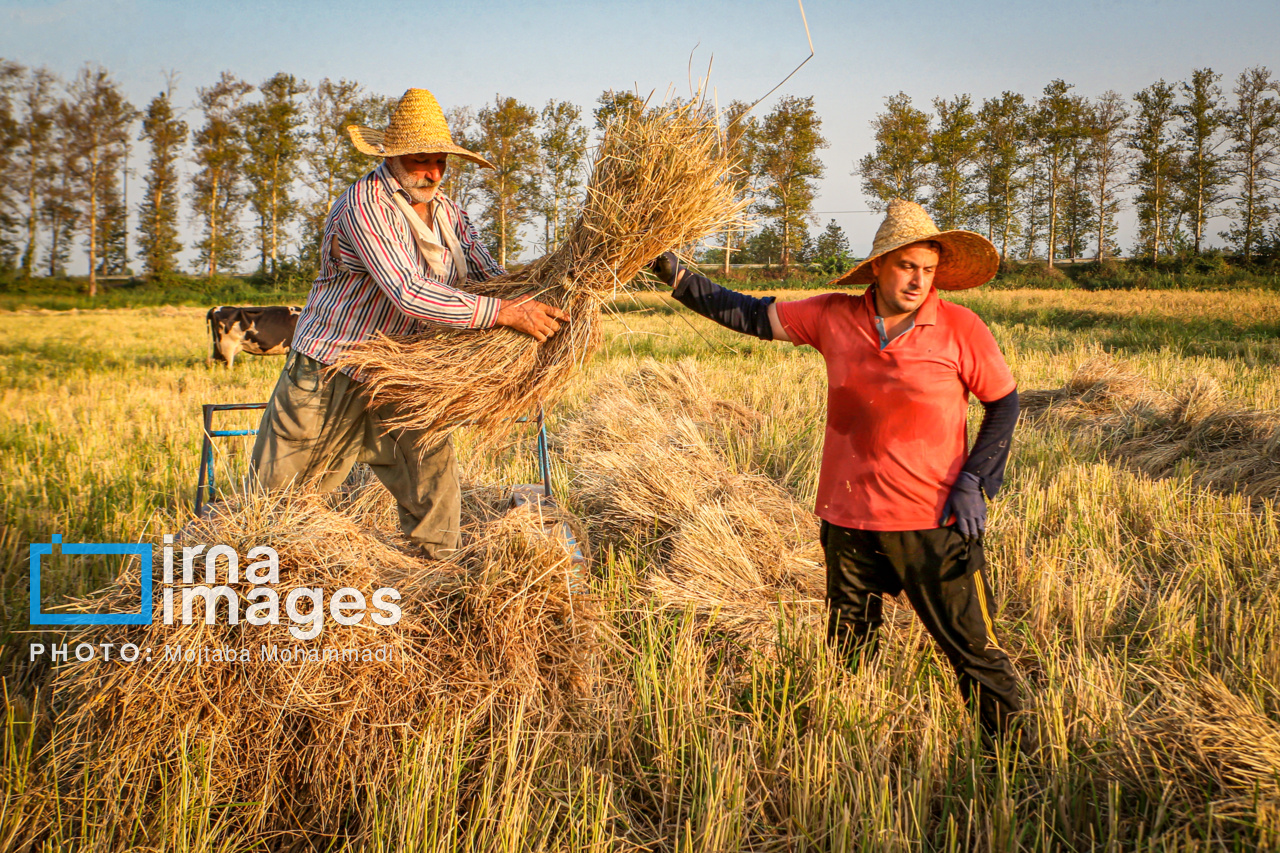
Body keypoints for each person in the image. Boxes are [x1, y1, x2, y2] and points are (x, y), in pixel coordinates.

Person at [650, 199, 1029, 744]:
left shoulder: (960, 328)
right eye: (907, 267)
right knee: (850, 653)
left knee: (974, 650)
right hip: (849, 521)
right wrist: (679, 276)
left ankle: (1017, 761)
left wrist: (976, 480)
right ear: (877, 266)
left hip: (934, 522)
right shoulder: (834, 316)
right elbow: (751, 314)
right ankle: (857, 754)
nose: (919, 281)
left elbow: (1004, 403)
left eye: (928, 270)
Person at [250, 87, 568, 558]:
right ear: (393, 155)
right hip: (335, 369)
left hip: (406, 373)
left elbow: (485, 276)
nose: (434, 172)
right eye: (422, 159)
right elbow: (408, 292)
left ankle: (435, 581)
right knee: (284, 504)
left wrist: (549, 290)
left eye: (440, 161)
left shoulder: (449, 213)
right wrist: (504, 313)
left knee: (434, 490)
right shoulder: (366, 205)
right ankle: (256, 591)